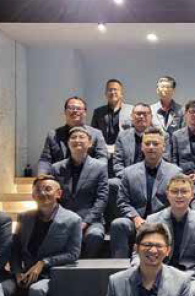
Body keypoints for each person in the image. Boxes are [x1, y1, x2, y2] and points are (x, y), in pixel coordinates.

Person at [5, 175, 82, 296]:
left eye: (47, 189)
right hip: (24, 274)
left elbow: (73, 254)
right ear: (33, 195)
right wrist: (17, 272)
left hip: (51, 274)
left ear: (58, 193)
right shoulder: (24, 217)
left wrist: (43, 263)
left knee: (36, 291)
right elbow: (15, 249)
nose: (42, 193)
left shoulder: (73, 220)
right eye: (38, 190)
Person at [111, 127, 183, 257]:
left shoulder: (175, 172)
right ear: (142, 147)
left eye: (155, 144)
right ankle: (120, 265)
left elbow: (177, 202)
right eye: (147, 143)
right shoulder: (129, 172)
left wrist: (157, 220)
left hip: (163, 221)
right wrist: (136, 218)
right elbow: (123, 202)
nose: (151, 147)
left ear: (163, 147)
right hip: (137, 221)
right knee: (118, 224)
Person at [50, 127, 109, 258]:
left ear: (90, 143)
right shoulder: (56, 168)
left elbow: (102, 199)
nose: (77, 140)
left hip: (91, 220)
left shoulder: (100, 167)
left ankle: (87, 266)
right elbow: (54, 198)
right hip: (63, 219)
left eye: (81, 137)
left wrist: (86, 222)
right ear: (68, 143)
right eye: (73, 137)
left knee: (95, 235)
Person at [38, 96, 108, 174]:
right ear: (65, 112)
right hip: (60, 177)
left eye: (79, 108)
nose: (75, 111)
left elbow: (102, 158)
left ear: (85, 112)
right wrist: (42, 176)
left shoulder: (96, 134)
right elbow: (45, 159)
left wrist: (95, 175)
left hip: (88, 177)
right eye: (71, 108)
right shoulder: (53, 135)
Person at [113, 103, 171, 176]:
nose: (141, 116)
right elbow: (118, 163)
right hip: (127, 177)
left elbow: (165, 161)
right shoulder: (122, 136)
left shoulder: (162, 136)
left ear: (151, 117)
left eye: (145, 114)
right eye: (138, 114)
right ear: (131, 116)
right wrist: (127, 178)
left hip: (154, 177)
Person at [91, 78, 133, 177]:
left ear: (121, 93)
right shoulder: (98, 112)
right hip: (104, 155)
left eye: (116, 90)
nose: (113, 92)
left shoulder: (131, 110)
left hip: (124, 155)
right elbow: (94, 134)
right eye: (110, 90)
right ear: (106, 93)